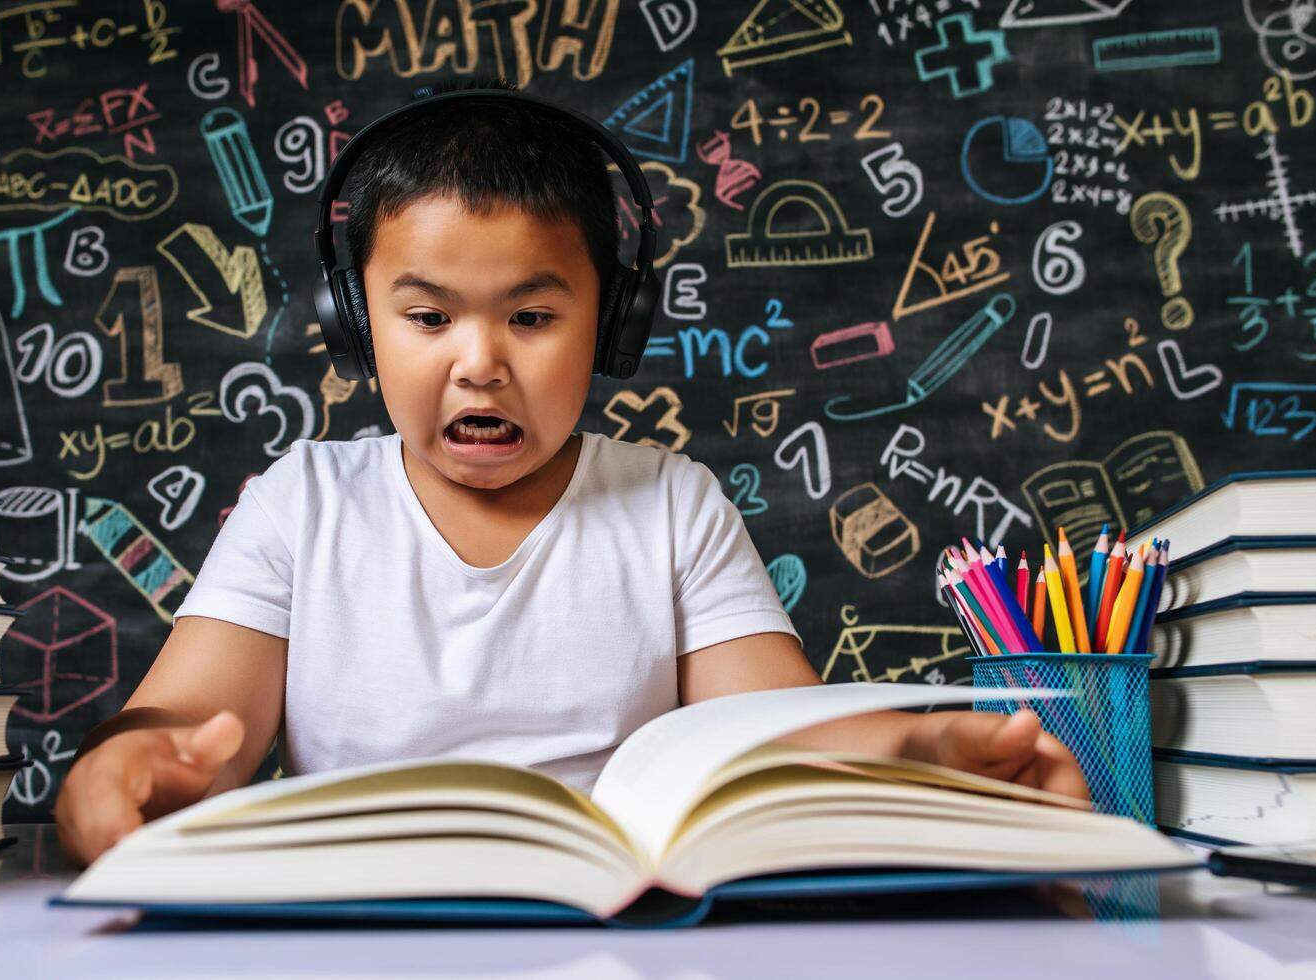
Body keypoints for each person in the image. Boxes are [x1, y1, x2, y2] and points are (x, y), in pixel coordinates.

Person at [55, 78, 1086, 868]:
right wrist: (123, 764)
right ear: (353, 322)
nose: (480, 362)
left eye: (533, 316)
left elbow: (775, 732)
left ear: (613, 322)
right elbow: (190, 725)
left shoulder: (671, 504)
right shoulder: (303, 502)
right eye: (426, 317)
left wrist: (916, 751)